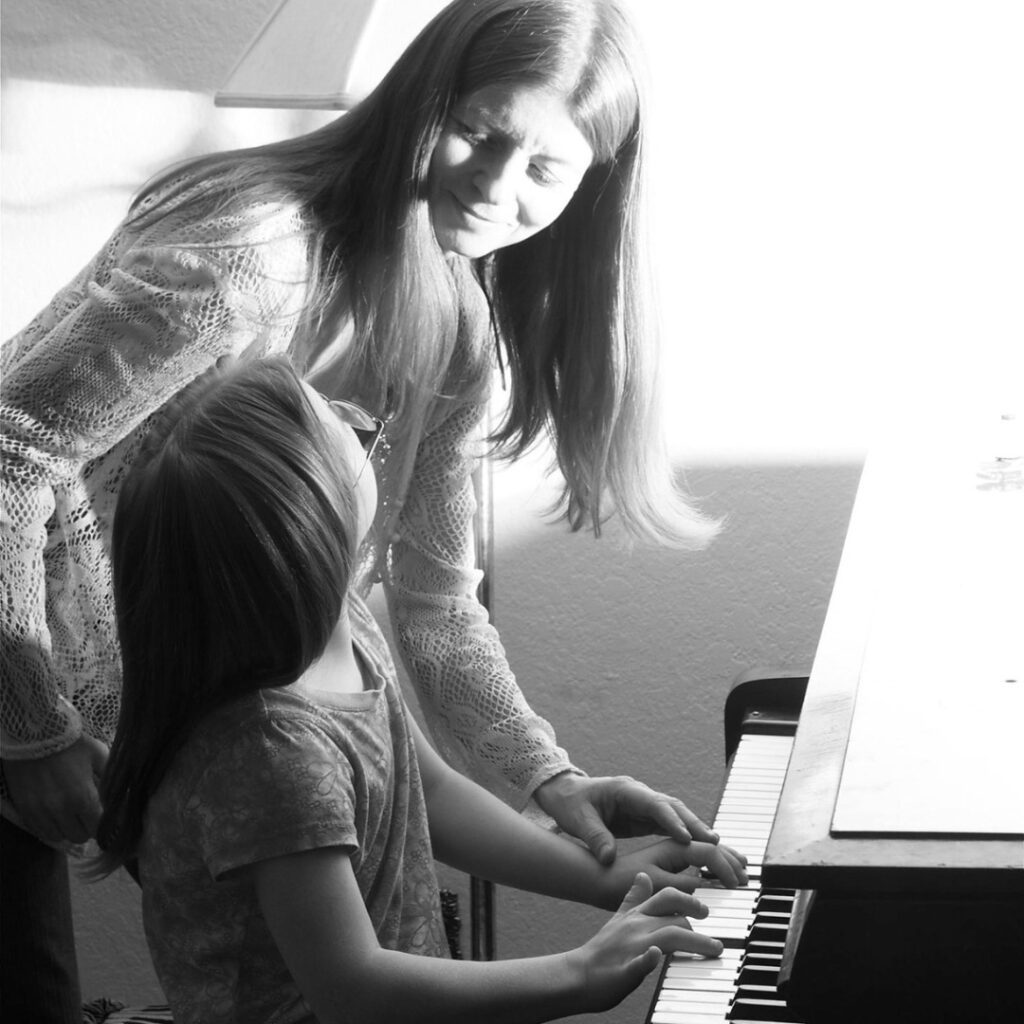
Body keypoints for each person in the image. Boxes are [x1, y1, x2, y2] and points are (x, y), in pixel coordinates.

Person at [1, 0, 722, 1016]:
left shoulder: (455, 328)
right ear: (424, 98)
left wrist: (550, 782)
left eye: (545, 169)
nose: (497, 185)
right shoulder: (250, 254)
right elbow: (10, 449)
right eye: (481, 132)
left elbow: (435, 601)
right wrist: (29, 726)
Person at [94, 354, 745, 1024]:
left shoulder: (343, 624)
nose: (356, 421)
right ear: (313, 511)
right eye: (341, 426)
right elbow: (353, 989)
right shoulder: (271, 753)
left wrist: (604, 877)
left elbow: (428, 792)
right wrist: (580, 971)